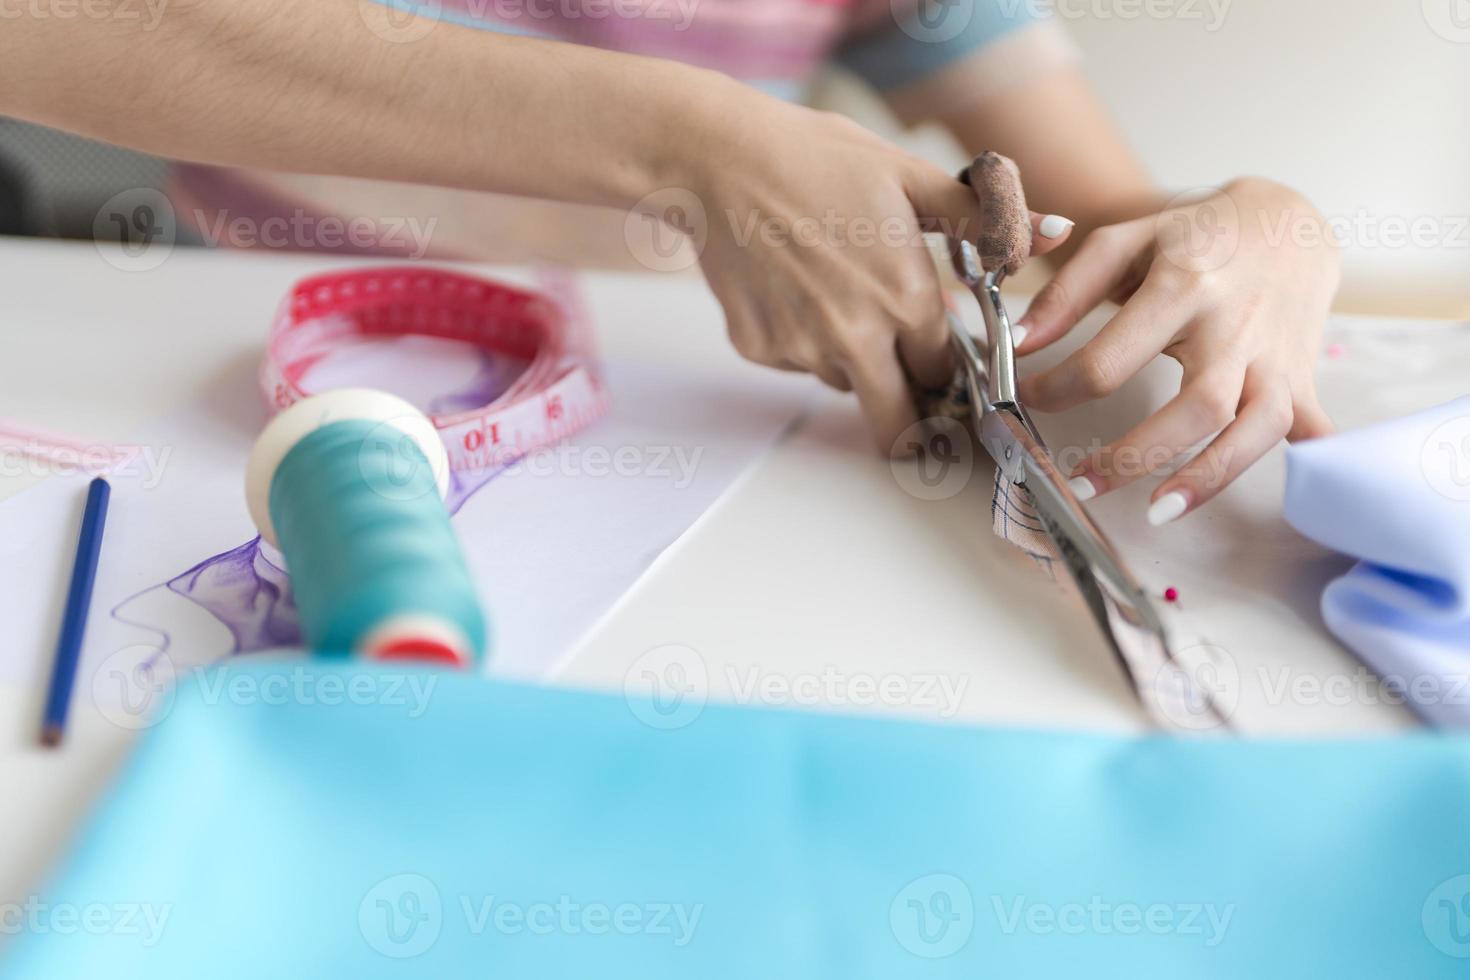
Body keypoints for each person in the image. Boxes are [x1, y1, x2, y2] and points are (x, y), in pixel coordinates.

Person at [0, 0, 1338, 523]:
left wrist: (1272, 222)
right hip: (191, 386)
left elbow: (1091, 211)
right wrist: (681, 141)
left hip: (679, 451)